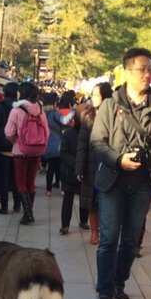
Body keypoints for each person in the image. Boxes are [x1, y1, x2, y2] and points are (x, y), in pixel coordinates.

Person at [90, 47, 151, 299]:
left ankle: (118, 283)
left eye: (150, 69)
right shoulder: (109, 105)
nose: (148, 74)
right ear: (127, 72)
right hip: (113, 182)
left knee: (130, 241)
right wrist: (118, 159)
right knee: (108, 239)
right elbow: (97, 143)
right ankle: (104, 294)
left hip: (141, 184)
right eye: (142, 69)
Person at [4, 81, 50, 225]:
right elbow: (46, 132)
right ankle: (28, 211)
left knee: (20, 183)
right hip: (37, 151)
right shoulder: (40, 110)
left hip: (21, 150)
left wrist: (14, 141)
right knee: (30, 182)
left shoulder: (16, 110)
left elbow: (9, 132)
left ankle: (28, 215)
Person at [76, 82, 113, 244]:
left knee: (107, 200)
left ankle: (106, 231)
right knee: (92, 201)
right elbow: (82, 144)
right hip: (91, 163)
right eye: (93, 94)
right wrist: (79, 168)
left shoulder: (114, 114)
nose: (94, 98)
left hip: (108, 163)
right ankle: (94, 232)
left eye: (97, 95)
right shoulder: (88, 115)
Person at [0, 81, 21, 215]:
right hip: (17, 147)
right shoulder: (21, 108)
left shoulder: (0, 107)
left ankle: (4, 206)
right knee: (16, 177)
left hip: (2, 147)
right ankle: (17, 204)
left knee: (2, 177)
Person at [58, 109, 85, 234]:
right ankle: (65, 225)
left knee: (84, 198)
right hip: (70, 171)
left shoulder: (90, 134)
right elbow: (63, 152)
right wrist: (78, 164)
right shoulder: (69, 133)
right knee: (68, 199)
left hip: (79, 171)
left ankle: (84, 221)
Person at [43, 93, 74, 196]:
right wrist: (73, 110)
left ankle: (48, 190)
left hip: (46, 145)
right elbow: (65, 121)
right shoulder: (54, 114)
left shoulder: (42, 114)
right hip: (57, 145)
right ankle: (63, 189)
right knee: (60, 168)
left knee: (50, 168)